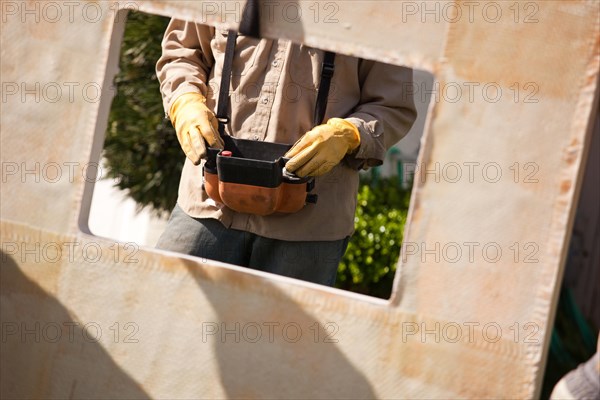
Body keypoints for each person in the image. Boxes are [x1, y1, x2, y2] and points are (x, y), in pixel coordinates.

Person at [155, 18, 417, 286]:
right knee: (168, 316)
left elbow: (393, 105)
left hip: (309, 229)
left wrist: (349, 134)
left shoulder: (377, 10)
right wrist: (184, 101)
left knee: (283, 330)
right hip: (206, 205)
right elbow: (182, 52)